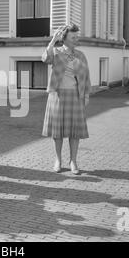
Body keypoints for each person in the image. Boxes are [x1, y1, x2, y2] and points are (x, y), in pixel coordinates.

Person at [41, 24, 91, 175]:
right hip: (57, 95)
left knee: (74, 131)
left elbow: (86, 76)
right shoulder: (56, 52)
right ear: (65, 38)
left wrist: (86, 94)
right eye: (73, 37)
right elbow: (45, 59)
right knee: (58, 131)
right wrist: (52, 42)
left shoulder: (81, 55)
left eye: (77, 37)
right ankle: (58, 160)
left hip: (76, 95)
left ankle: (73, 161)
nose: (76, 39)